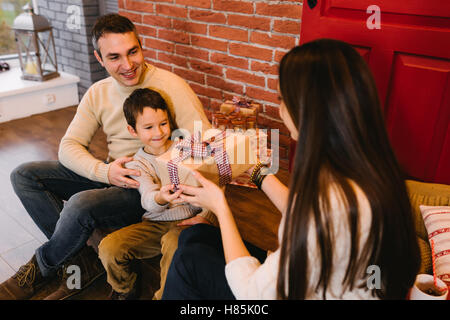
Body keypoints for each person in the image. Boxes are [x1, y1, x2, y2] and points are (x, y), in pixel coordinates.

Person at [162, 39, 421, 300]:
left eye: (282, 99)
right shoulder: (373, 170)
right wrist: (255, 169)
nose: (280, 109)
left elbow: (252, 294)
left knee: (188, 260)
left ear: (306, 110)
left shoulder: (329, 206)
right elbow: (302, 212)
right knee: (195, 236)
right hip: (318, 278)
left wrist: (220, 206)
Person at [0, 13, 212, 300]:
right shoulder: (98, 92)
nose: (127, 65)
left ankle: (43, 266)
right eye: (114, 57)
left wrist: (209, 213)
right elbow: (69, 146)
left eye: (133, 52)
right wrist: (105, 172)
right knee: (24, 175)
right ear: (99, 59)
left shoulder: (172, 87)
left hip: (148, 184)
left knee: (81, 203)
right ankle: (80, 261)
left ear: (141, 45)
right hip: (112, 174)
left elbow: (209, 148)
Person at [97, 88, 216, 300]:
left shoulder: (185, 149)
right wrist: (161, 196)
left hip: (189, 220)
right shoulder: (138, 162)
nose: (158, 132)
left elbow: (211, 184)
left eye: (163, 124)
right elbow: (148, 199)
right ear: (133, 131)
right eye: (148, 127)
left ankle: (164, 297)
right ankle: (125, 289)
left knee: (173, 242)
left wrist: (205, 217)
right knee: (108, 247)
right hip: (154, 223)